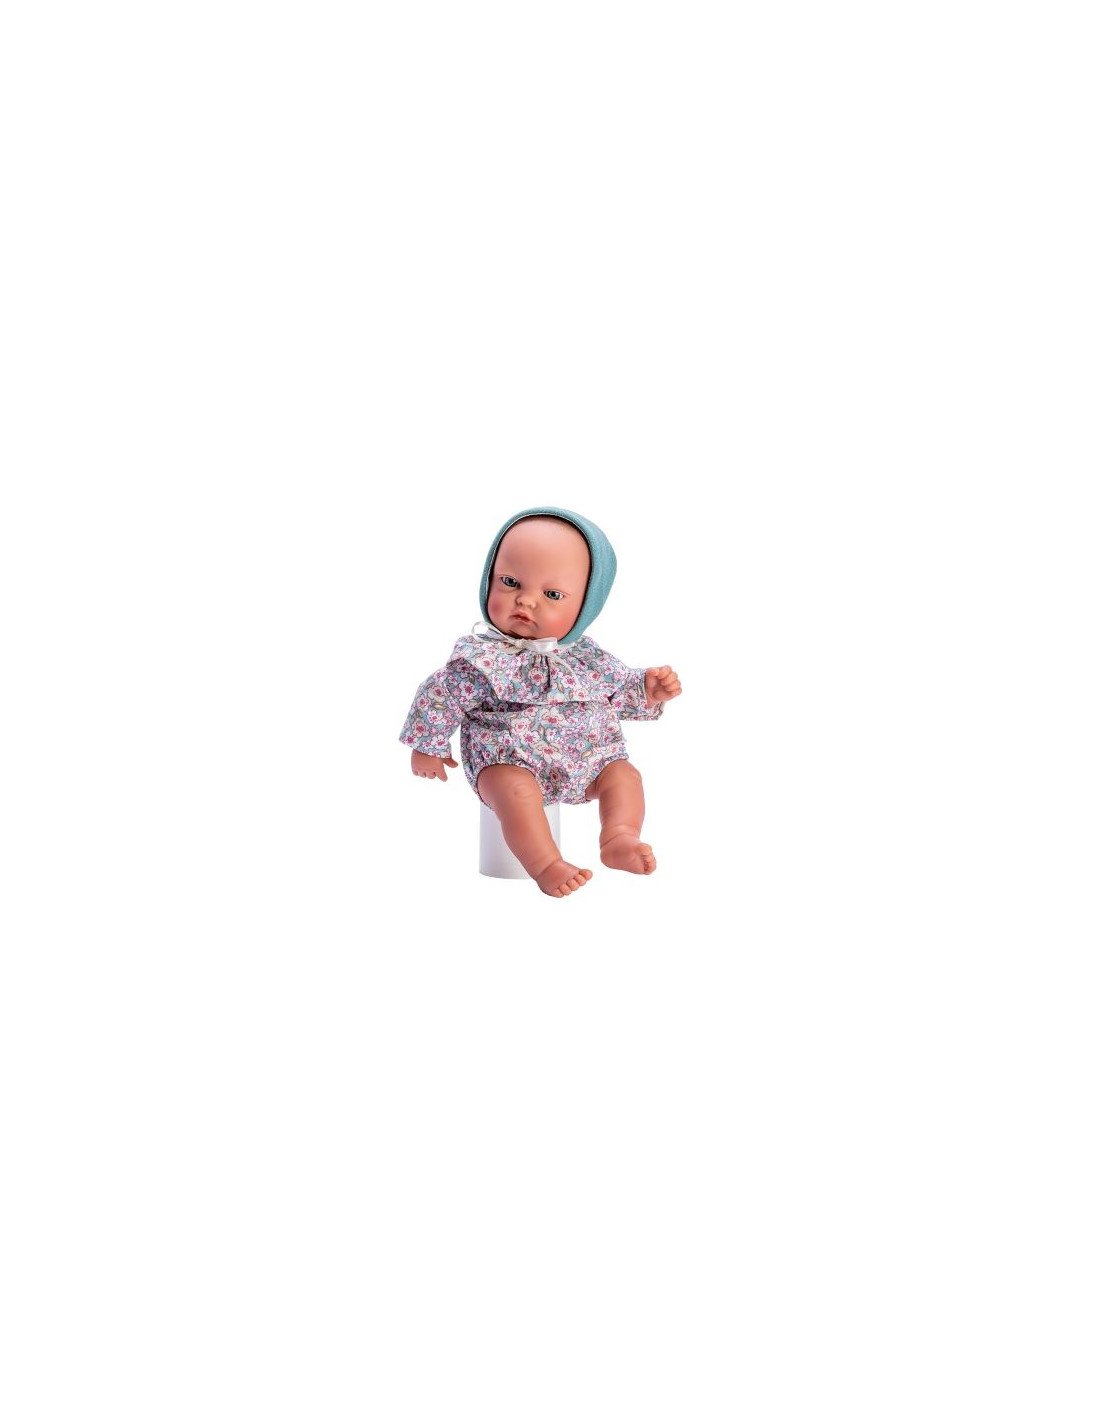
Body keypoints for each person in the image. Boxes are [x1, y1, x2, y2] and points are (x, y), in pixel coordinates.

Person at [399, 506, 682, 897]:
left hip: (588, 761)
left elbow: (617, 691)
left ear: (586, 605)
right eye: (510, 582)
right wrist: (427, 746)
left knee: (625, 776)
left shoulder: (587, 658)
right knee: (515, 793)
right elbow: (439, 695)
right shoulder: (481, 659)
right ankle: (546, 864)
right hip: (506, 761)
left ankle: (618, 837)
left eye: (552, 594)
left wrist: (648, 690)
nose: (525, 601)